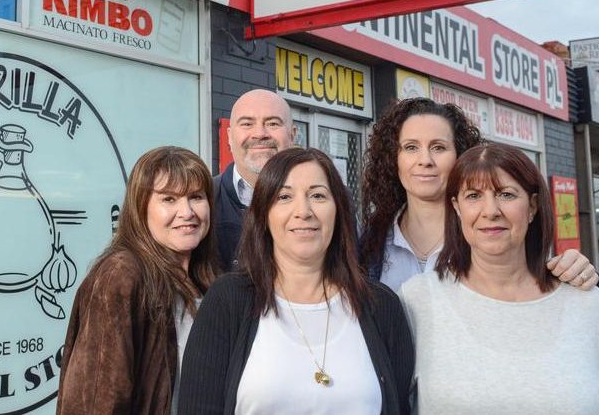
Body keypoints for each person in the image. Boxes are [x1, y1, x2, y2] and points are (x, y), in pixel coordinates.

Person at [180, 148, 413, 415]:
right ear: (263, 215)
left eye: (317, 195)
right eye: (284, 196)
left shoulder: (381, 307)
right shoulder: (228, 300)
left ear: (338, 211)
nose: (303, 211)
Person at [401, 143, 599, 413]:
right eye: (474, 196)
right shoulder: (418, 301)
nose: (490, 211)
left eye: (506, 194)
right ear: (457, 208)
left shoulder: (587, 305)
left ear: (533, 206)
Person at [358, 97, 597, 291]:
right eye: (411, 147)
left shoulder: (490, 233)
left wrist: (577, 273)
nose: (425, 161)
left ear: (461, 156)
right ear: (392, 158)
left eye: (438, 147)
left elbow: (539, 290)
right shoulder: (370, 244)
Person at [56, 146, 219, 415]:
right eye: (169, 199)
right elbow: (95, 399)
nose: (187, 211)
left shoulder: (208, 279)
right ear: (141, 207)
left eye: (196, 197)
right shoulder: (121, 274)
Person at [214, 89, 296, 271]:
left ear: (292, 134)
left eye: (273, 123)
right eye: (247, 124)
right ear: (229, 136)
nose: (259, 133)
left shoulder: (330, 199)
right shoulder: (203, 200)